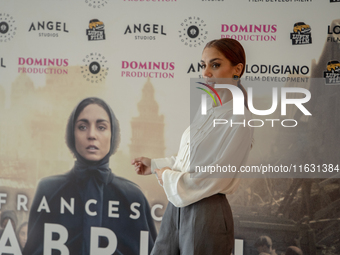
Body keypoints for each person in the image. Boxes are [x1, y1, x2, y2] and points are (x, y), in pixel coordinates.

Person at [132, 38, 254, 255]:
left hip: (208, 213)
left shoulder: (241, 120)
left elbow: (218, 176)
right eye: (203, 65)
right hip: (176, 204)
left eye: (215, 65)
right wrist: (154, 165)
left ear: (237, 69)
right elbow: (188, 159)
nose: (206, 72)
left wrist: (167, 177)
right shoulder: (206, 109)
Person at [24, 97, 157, 255]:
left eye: (101, 127)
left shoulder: (133, 197)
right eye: (82, 127)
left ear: (113, 135)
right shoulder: (48, 190)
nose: (91, 134)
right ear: (71, 134)